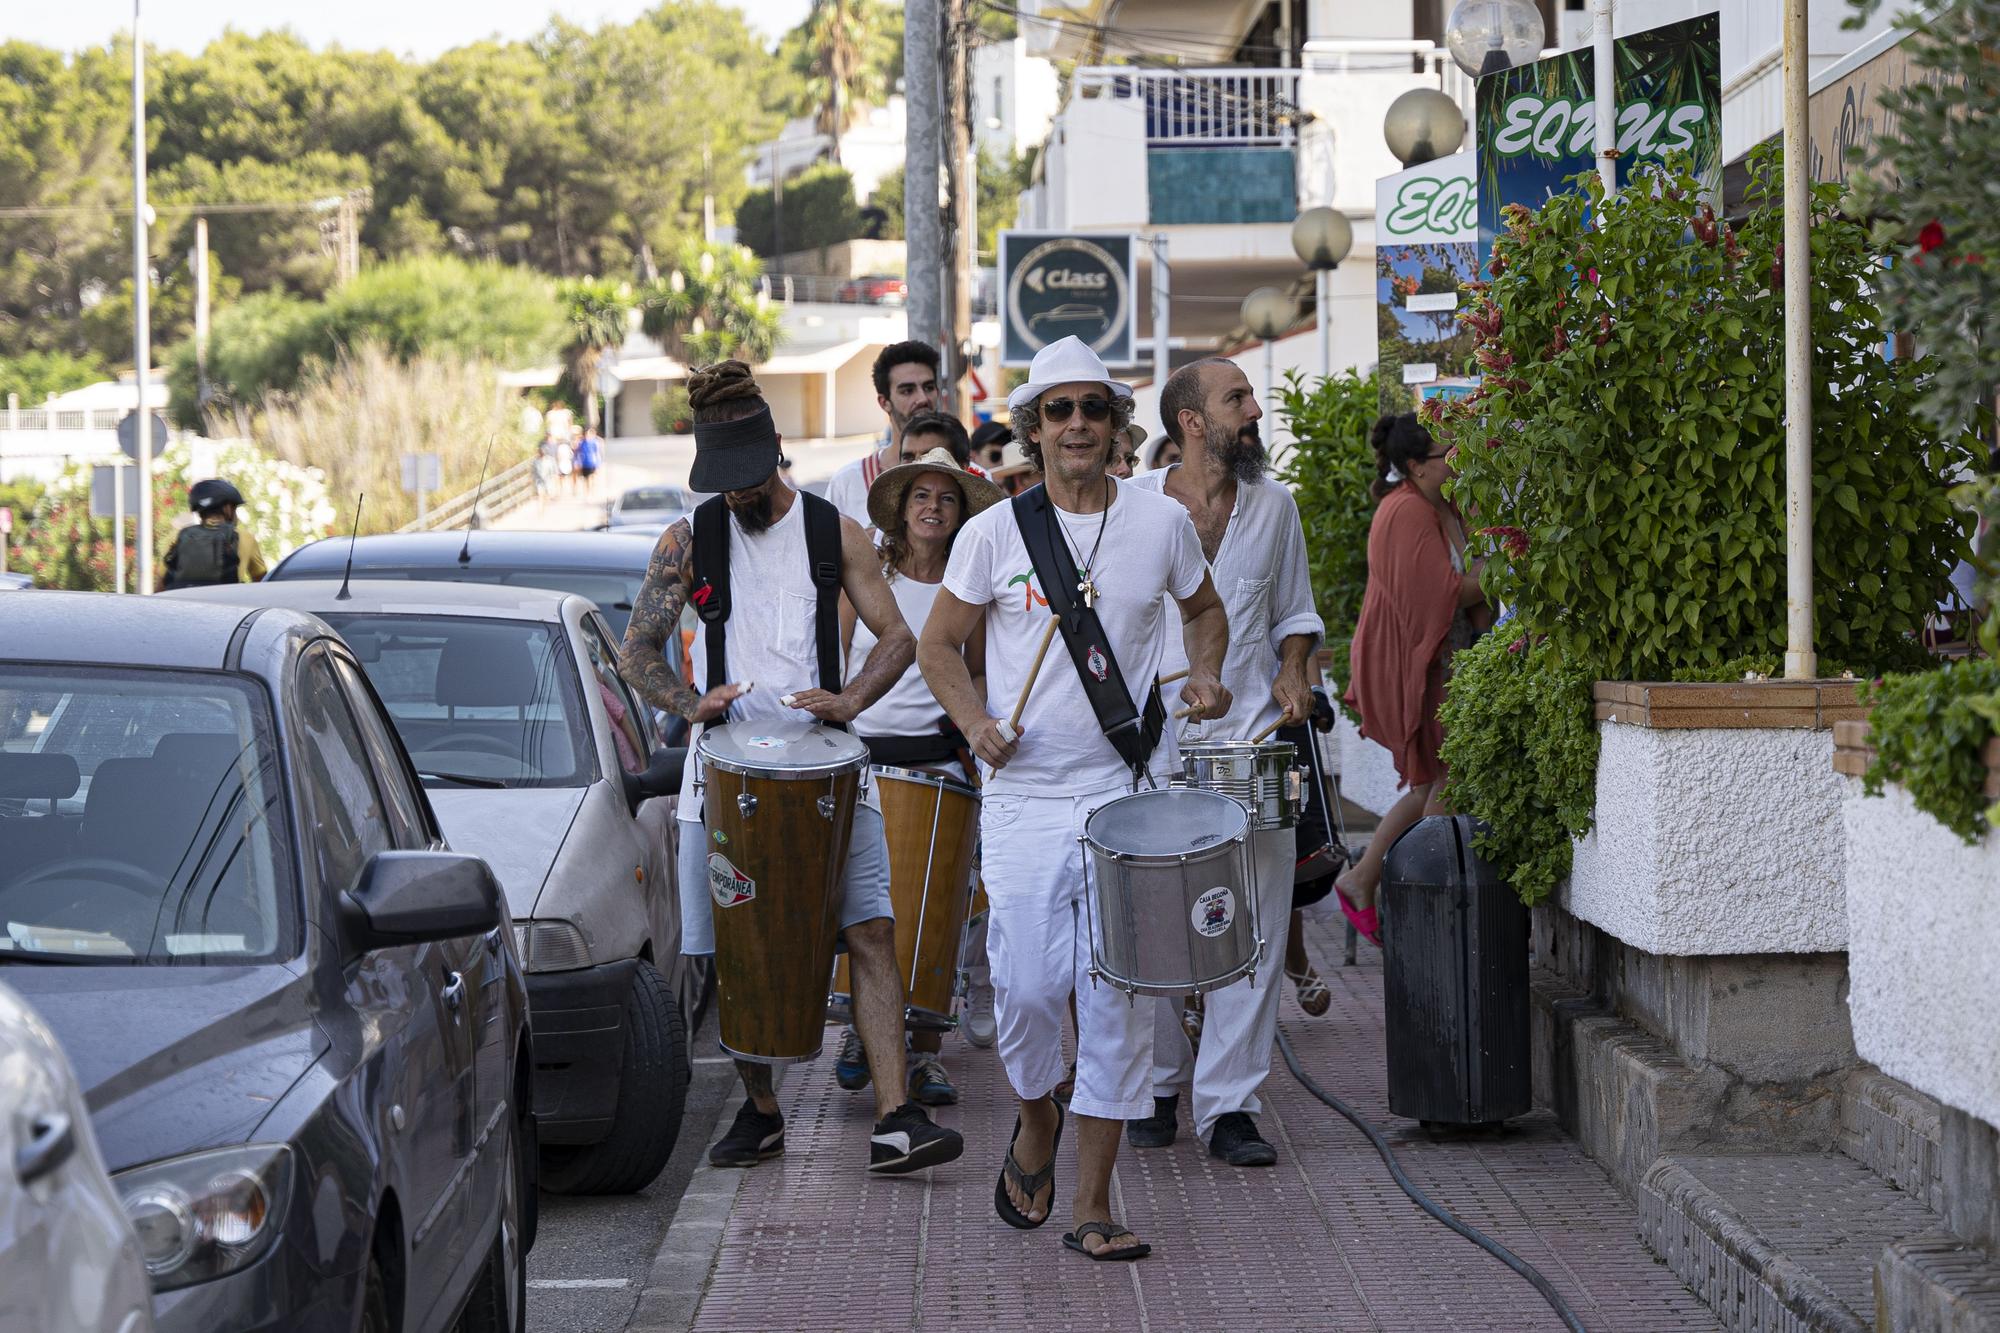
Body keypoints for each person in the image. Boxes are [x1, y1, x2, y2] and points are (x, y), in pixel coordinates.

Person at [919, 335, 1231, 1261]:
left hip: (1123, 791)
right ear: (1034, 428)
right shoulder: (992, 533)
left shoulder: (1159, 523)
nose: (1078, 425)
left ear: (1116, 423)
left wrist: (1204, 674)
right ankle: (1035, 1117)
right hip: (1022, 795)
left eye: (1094, 408)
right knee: (1023, 985)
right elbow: (940, 645)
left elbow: (1203, 612)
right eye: (1059, 411)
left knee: (1118, 996)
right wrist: (976, 722)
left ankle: (1093, 1201)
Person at [618, 359, 963, 1177]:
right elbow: (635, 648)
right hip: (723, 780)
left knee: (871, 931)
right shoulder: (688, 539)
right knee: (734, 951)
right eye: (722, 480)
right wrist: (693, 702)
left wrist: (849, 703)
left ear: (777, 450)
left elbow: (897, 637)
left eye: (748, 476)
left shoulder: (830, 531)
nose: (737, 494)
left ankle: (896, 1115)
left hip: (836, 775)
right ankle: (762, 1109)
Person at [1125, 358, 1322, 1167]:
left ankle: (1230, 1104)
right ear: (1191, 421)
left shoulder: (1276, 507)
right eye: (1236, 399)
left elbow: (1296, 611)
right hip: (1158, 749)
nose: (1253, 409)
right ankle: (1161, 1086)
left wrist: (1294, 666)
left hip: (1253, 742)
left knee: (1259, 922)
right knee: (1157, 922)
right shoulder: (1132, 509)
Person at [830, 447, 1005, 1104]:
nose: (934, 508)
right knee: (871, 907)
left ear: (960, 514)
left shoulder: (968, 583)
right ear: (901, 510)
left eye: (947, 498)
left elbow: (979, 670)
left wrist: (979, 725)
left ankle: (927, 1047)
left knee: (944, 906)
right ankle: (861, 1030)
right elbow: (839, 659)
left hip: (940, 758)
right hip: (869, 758)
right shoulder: (868, 577)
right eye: (921, 497)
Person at [1337, 412, 1488, 944]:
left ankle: (1363, 879)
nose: (1457, 460)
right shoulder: (1404, 512)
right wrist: (1509, 564)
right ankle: (1435, 901)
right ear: (1416, 467)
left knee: (1435, 780)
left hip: (1437, 658)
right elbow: (1442, 596)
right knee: (1449, 777)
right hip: (1417, 663)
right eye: (1448, 454)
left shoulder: (1433, 504)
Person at [826, 342, 943, 527]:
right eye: (907, 391)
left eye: (928, 387)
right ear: (884, 402)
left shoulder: (972, 478)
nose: (922, 399)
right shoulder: (848, 483)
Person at [161, 479, 267, 589]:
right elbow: (262, 584)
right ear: (227, 509)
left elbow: (161, 585)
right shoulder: (245, 538)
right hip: (224, 603)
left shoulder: (180, 536)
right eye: (235, 508)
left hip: (184, 604)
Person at [575, 425, 604, 495]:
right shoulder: (581, 443)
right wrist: (578, 462)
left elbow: (597, 453)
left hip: (592, 462)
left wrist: (598, 464)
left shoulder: (594, 442)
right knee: (586, 479)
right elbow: (578, 453)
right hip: (584, 463)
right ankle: (587, 493)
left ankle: (592, 492)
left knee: (592, 478)